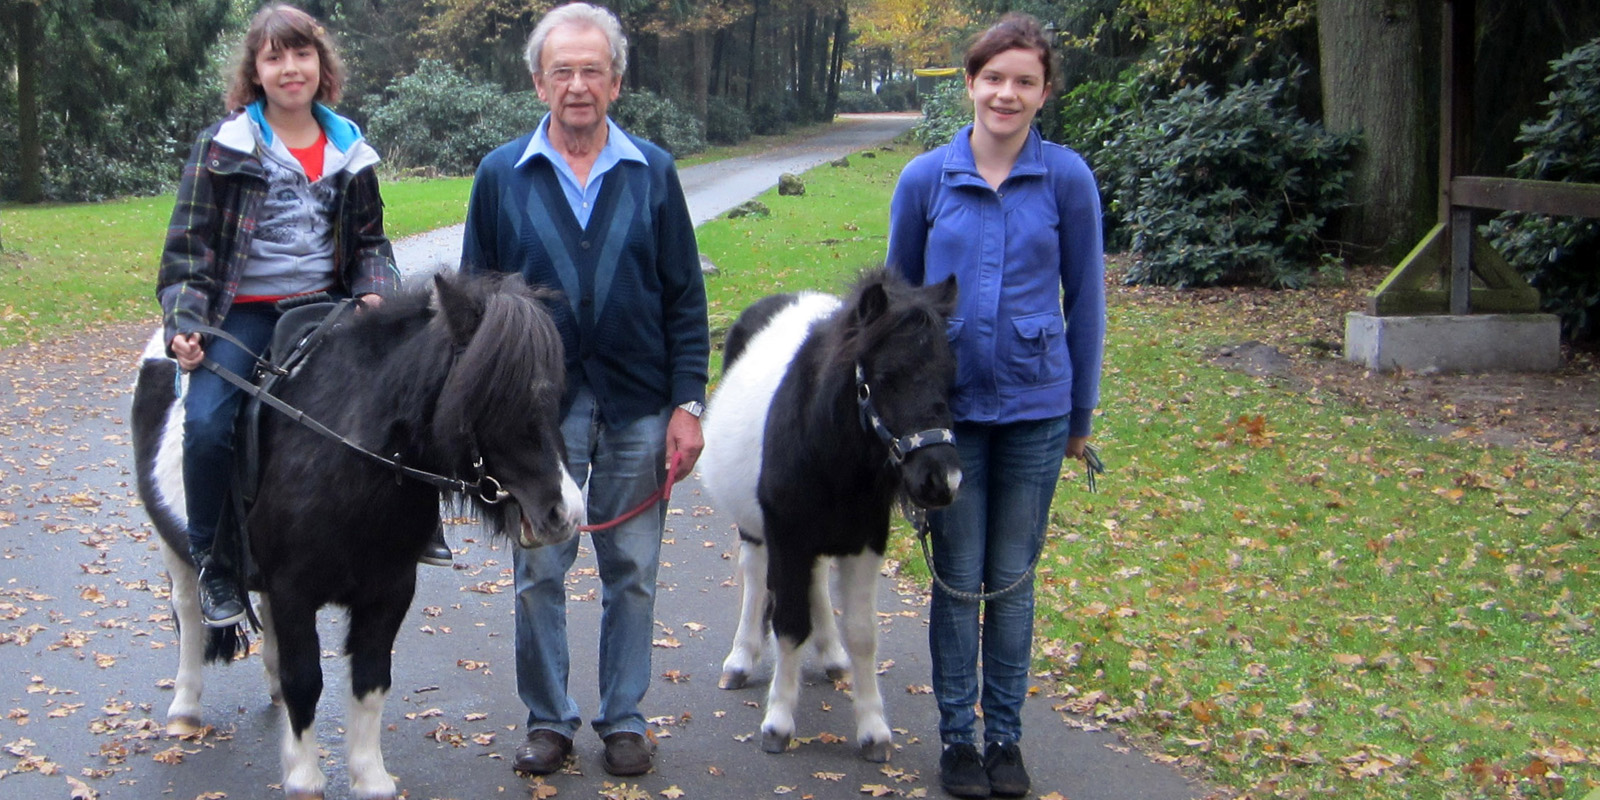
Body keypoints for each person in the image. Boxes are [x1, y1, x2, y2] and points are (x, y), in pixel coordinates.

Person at [459, 2, 709, 779]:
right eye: (561, 71)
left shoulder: (653, 172)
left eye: (591, 70)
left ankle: (625, 718)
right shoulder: (502, 175)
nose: (577, 85)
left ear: (617, 82)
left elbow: (684, 301)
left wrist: (687, 404)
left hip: (639, 405)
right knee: (540, 571)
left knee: (631, 568)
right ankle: (548, 721)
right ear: (538, 82)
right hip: (539, 417)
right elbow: (475, 302)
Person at [885, 13, 1106, 799]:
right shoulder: (925, 181)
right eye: (993, 78)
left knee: (1010, 579)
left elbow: (1087, 302)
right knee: (958, 578)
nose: (1006, 93)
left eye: (1024, 81)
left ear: (1044, 92)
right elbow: (895, 311)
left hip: (1038, 414)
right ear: (971, 82)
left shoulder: (1068, 180)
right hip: (949, 420)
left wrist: (1081, 415)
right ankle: (956, 741)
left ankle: (1005, 738)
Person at [156, 3, 408, 628]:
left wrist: (376, 290)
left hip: (328, 311)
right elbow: (187, 251)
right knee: (211, 421)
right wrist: (185, 321)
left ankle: (407, 530)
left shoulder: (350, 147)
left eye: (302, 54)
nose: (290, 68)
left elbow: (372, 243)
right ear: (256, 71)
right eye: (275, 57)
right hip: (244, 312)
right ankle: (214, 562)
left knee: (399, 400)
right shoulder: (223, 148)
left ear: (322, 66)